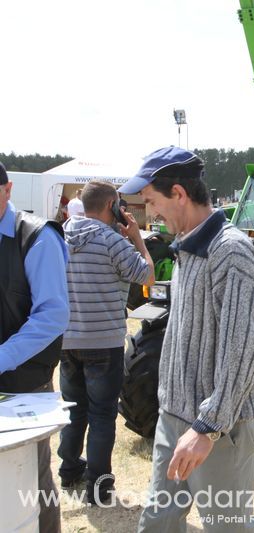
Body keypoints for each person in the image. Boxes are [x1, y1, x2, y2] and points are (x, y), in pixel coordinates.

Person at [117, 147, 254, 531]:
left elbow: (244, 351)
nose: (150, 213)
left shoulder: (231, 252)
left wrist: (207, 427)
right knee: (157, 522)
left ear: (179, 194)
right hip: (174, 419)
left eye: (152, 201)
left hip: (218, 430)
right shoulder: (186, 247)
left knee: (227, 525)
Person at [57, 180, 155, 505]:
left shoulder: (60, 237)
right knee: (101, 415)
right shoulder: (113, 242)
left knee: (74, 410)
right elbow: (147, 276)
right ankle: (98, 488)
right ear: (112, 204)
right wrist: (138, 239)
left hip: (68, 340)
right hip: (104, 343)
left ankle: (70, 468)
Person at [0, 162, 70, 532]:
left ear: (8, 190)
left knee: (32, 480)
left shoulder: (37, 236)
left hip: (24, 385)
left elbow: (52, 316)